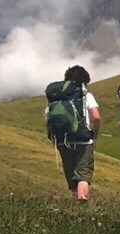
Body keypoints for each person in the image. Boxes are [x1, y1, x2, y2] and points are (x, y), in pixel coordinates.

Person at [44, 66, 100, 201]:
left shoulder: (56, 97)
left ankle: (74, 204)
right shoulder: (86, 95)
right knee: (83, 175)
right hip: (83, 140)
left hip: (63, 140)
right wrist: (94, 135)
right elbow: (96, 117)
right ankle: (82, 204)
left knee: (71, 176)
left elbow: (47, 116)